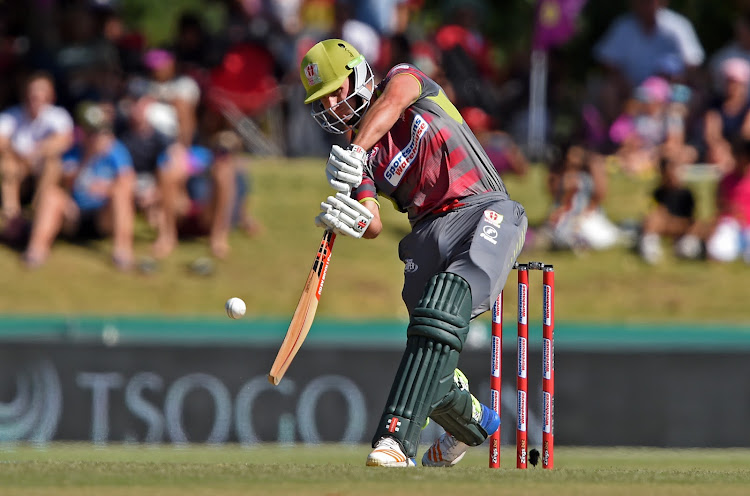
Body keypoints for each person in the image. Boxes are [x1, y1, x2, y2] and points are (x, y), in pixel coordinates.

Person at [299, 39, 526, 467]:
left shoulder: (402, 80)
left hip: (483, 207)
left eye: (334, 89)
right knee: (431, 351)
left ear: (357, 74)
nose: (331, 104)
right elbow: (375, 220)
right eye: (321, 99)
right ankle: (476, 424)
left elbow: (393, 102)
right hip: (426, 234)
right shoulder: (358, 156)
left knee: (444, 307)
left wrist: (356, 149)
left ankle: (395, 441)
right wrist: (351, 218)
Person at [22, 101, 135, 269]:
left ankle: (122, 251)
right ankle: (37, 250)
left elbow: (128, 184)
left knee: (121, 193)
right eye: (90, 132)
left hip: (102, 216)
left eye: (98, 131)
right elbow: (65, 183)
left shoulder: (116, 150)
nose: (94, 137)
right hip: (73, 214)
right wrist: (88, 157)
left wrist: (107, 189)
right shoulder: (73, 152)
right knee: (52, 195)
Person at [0, 72, 74, 223]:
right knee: (6, 164)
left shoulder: (57, 115)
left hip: (43, 166)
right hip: (18, 166)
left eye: (41, 91)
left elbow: (64, 140)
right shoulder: (12, 114)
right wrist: (19, 155)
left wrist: (38, 151)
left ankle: (38, 210)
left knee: (53, 162)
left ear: (49, 95)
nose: (36, 96)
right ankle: (12, 215)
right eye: (33, 92)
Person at [638, 158, 701, 264]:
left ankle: (686, 246)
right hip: (663, 226)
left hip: (681, 227)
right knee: (653, 218)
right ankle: (650, 247)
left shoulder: (686, 194)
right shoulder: (658, 193)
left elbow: (691, 220)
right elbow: (652, 214)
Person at [705, 138, 750, 264]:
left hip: (748, 225)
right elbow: (719, 204)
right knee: (718, 252)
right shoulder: (726, 179)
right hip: (730, 224)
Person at [703, 58, 750, 174]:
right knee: (716, 154)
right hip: (722, 152)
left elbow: (746, 135)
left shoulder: (748, 106)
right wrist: (722, 149)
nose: (732, 86)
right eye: (729, 81)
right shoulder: (714, 105)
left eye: (735, 82)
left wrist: (733, 153)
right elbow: (711, 135)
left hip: (742, 151)